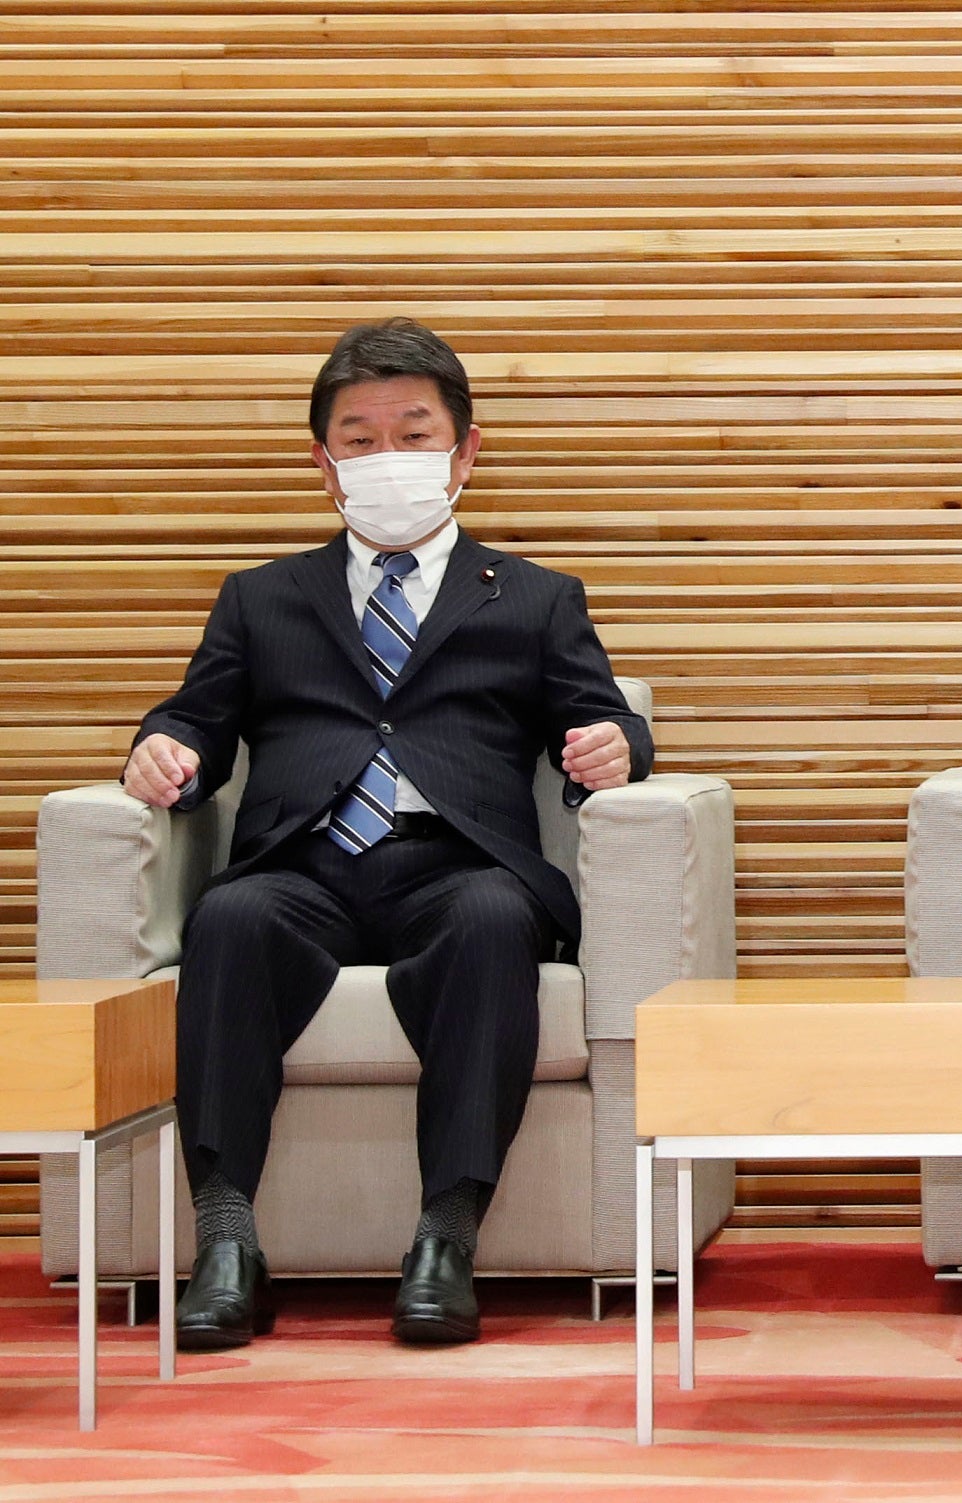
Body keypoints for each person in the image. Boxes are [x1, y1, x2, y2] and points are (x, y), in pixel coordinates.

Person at [123, 318, 652, 1349]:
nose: (387, 457)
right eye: (359, 439)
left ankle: (444, 1241)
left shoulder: (538, 599)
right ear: (325, 465)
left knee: (495, 922)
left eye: (413, 432)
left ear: (465, 449)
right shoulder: (262, 598)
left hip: (457, 866)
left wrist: (615, 746)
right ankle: (226, 1242)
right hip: (303, 868)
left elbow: (602, 716)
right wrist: (163, 748)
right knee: (227, 923)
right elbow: (197, 716)